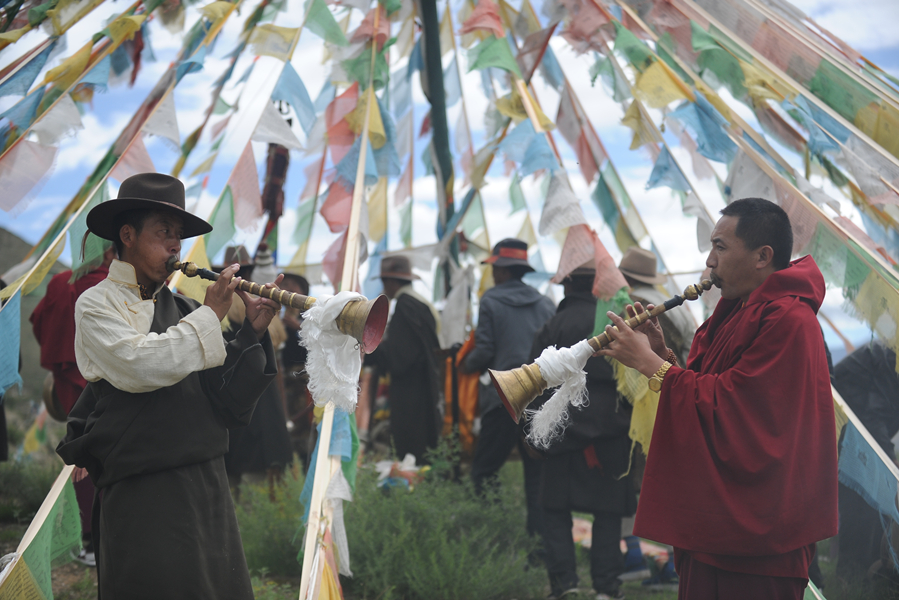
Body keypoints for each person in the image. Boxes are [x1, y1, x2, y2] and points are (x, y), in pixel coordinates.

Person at [597, 198, 838, 599]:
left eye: (721, 247)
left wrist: (649, 365)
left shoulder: (789, 320)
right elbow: (712, 388)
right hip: (716, 533)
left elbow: (738, 412)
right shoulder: (737, 312)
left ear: (763, 256)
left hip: (760, 538)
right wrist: (665, 358)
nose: (710, 261)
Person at [56, 173, 281, 600]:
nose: (176, 246)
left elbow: (226, 403)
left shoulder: (185, 308)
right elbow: (142, 364)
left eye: (178, 236)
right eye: (164, 232)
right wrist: (211, 317)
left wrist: (251, 333)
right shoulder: (96, 305)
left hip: (205, 484)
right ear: (128, 234)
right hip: (143, 492)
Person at [530, 262, 636, 600]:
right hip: (613, 430)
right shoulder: (619, 321)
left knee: (554, 509)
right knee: (607, 512)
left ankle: (566, 587)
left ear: (566, 286)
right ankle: (606, 588)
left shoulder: (554, 324)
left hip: (562, 430)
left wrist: (531, 433)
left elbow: (532, 383)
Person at [461, 238, 555, 540]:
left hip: (503, 400)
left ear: (501, 271)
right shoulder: (545, 304)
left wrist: (462, 364)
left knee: (484, 470)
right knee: (537, 476)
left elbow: (486, 350)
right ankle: (538, 543)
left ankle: (495, 533)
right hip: (539, 402)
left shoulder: (490, 300)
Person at [30, 242, 116, 567]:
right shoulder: (112, 284)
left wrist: (63, 359)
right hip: (107, 384)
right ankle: (104, 537)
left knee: (80, 457)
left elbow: (41, 327)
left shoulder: (59, 283)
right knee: (109, 454)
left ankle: (89, 540)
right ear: (110, 251)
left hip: (70, 384)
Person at [218, 245, 293, 493]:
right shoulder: (227, 309)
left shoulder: (226, 310)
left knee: (248, 499)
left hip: (245, 423)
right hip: (253, 421)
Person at [364, 255, 442, 464]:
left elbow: (401, 356)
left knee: (412, 446)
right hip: (424, 385)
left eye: (384, 282)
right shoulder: (420, 304)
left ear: (391, 281)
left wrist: (372, 349)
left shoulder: (405, 306)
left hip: (410, 392)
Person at [832, 341, 899, 581]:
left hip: (856, 426)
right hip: (848, 428)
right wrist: (891, 460)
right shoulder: (891, 359)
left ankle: (869, 573)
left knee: (873, 501)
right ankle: (854, 579)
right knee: (863, 502)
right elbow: (874, 413)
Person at [619, 247, 694, 366]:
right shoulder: (674, 303)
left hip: (659, 374)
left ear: (626, 278)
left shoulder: (630, 304)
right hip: (686, 372)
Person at [279, 272, 314, 467]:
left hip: (304, 383)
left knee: (304, 426)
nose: (289, 289)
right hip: (284, 382)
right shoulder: (277, 315)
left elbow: (319, 344)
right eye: (285, 285)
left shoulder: (311, 316)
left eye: (294, 286)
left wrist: (298, 328)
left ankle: (304, 463)